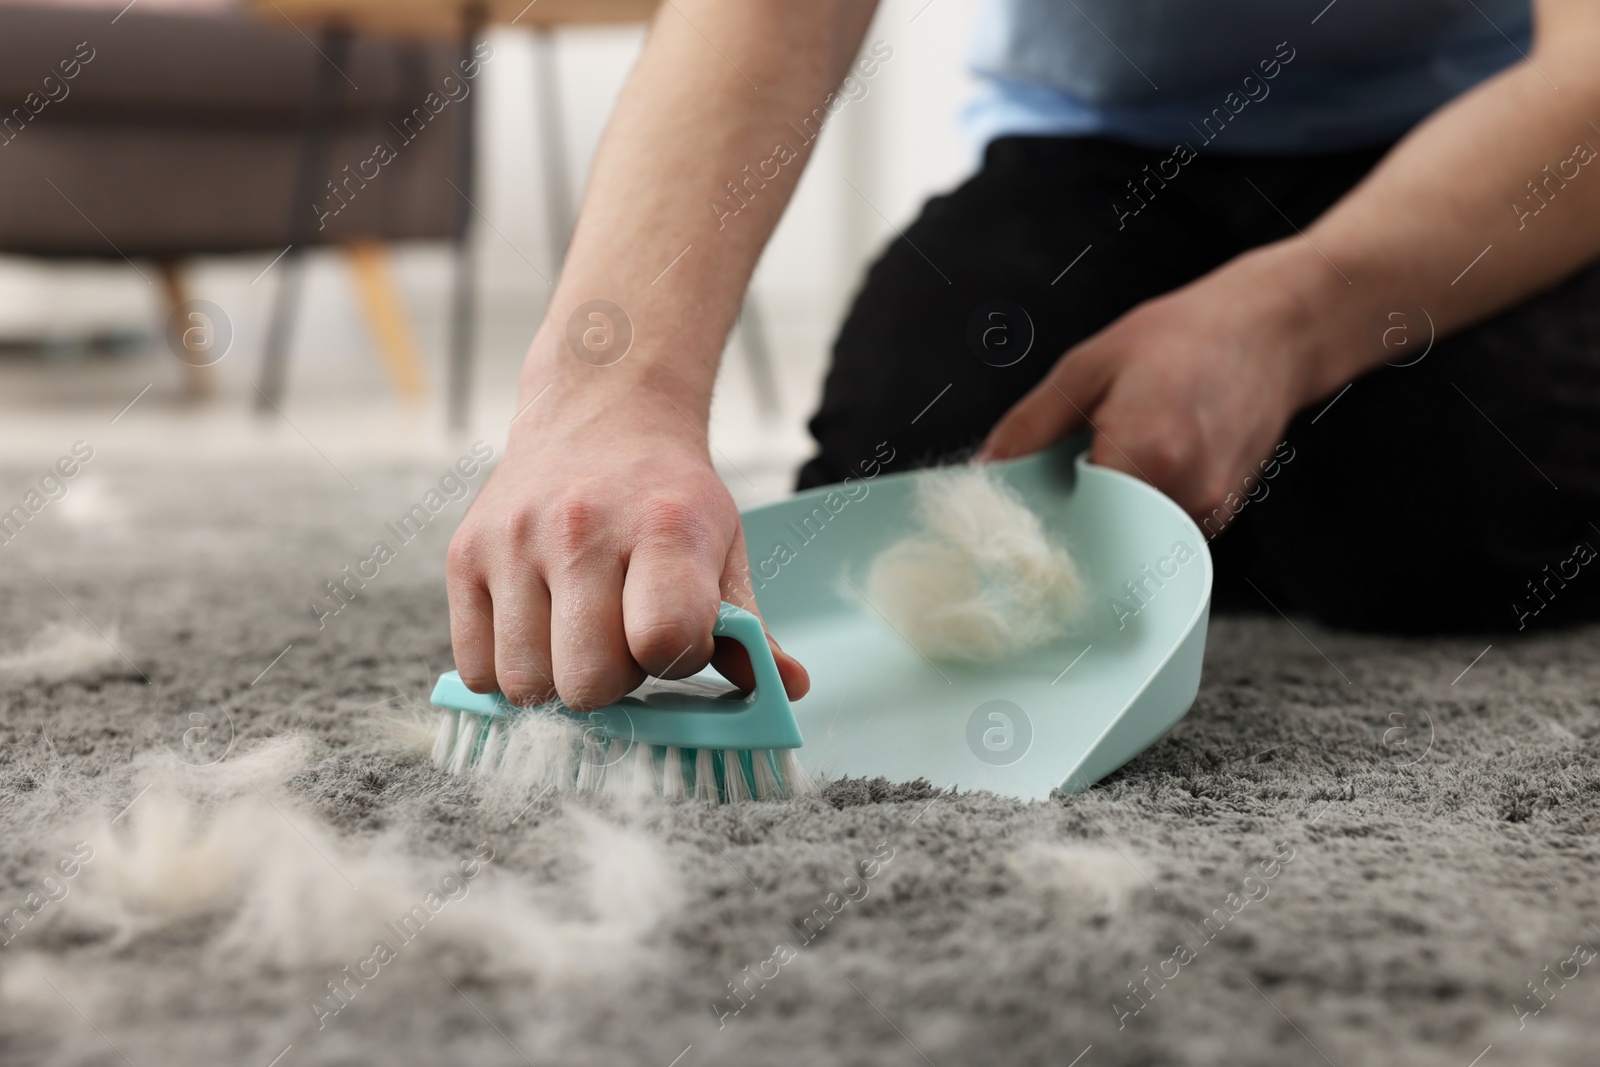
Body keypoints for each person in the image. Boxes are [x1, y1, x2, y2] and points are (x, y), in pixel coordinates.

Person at [446, 0, 1600, 711]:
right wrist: (610, 395)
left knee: (1458, 504)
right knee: (911, 455)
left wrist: (1286, 323)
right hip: (1100, 153)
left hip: (1486, 158)